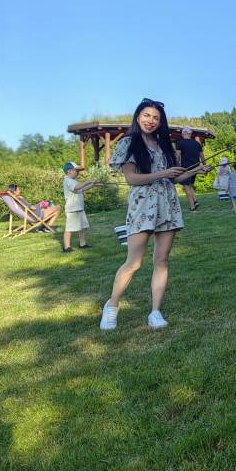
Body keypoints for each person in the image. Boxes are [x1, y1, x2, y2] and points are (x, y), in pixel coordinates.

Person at [100, 98, 212, 331]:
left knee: (161, 260)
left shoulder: (164, 145)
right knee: (134, 263)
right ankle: (112, 305)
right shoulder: (129, 143)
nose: (151, 121)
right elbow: (131, 178)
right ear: (138, 116)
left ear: (161, 122)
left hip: (167, 205)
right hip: (142, 206)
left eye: (156, 118)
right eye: (146, 115)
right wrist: (163, 173)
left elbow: (174, 178)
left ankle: (155, 312)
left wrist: (196, 171)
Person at [62, 161, 99, 253]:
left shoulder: (73, 181)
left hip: (79, 208)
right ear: (69, 171)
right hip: (72, 210)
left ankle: (82, 244)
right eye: (76, 171)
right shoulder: (68, 180)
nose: (78, 173)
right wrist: (88, 181)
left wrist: (93, 184)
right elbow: (77, 187)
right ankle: (67, 247)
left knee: (84, 227)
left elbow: (82, 189)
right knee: (69, 229)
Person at [175, 126, 205, 211]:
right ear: (190, 134)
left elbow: (177, 156)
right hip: (196, 167)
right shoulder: (197, 143)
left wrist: (176, 166)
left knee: (186, 186)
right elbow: (202, 156)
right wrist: (205, 166)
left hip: (186, 167)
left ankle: (192, 207)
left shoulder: (180, 143)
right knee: (190, 185)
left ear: (183, 133)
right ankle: (195, 201)